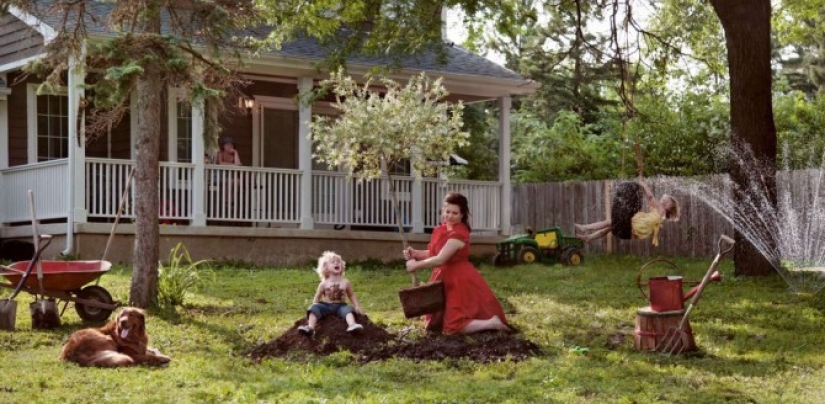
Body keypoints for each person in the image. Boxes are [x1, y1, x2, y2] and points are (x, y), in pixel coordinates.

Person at [404, 192, 512, 334]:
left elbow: (441, 259)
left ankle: (491, 323)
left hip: (458, 279)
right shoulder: (442, 229)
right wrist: (416, 254)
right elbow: (434, 253)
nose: (449, 216)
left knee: (452, 326)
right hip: (443, 277)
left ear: (462, 215)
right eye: (447, 211)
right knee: (436, 324)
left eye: (454, 213)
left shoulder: (459, 233)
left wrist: (416, 265)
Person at [574, 178, 680, 246]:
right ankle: (589, 238)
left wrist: (644, 185)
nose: (665, 200)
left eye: (668, 201)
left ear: (670, 207)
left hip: (635, 226)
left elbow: (650, 197)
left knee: (609, 222)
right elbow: (650, 201)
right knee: (610, 227)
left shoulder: (661, 210)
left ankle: (585, 228)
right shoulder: (660, 212)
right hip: (636, 228)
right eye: (664, 199)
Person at [298, 251, 364, 336]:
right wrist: (315, 309)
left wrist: (357, 306)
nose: (336, 263)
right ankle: (310, 327)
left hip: (341, 306)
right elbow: (317, 296)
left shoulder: (345, 282)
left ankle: (352, 325)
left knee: (349, 310)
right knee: (313, 308)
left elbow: (351, 295)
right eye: (333, 262)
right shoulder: (324, 283)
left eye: (338, 262)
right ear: (325, 267)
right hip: (327, 306)